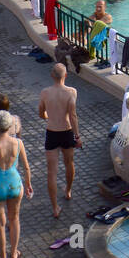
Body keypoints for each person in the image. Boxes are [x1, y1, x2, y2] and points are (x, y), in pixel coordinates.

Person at [0, 110, 33, 258]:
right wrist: (28, 184)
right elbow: (26, 167)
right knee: (14, 219)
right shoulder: (18, 143)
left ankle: (2, 256)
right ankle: (14, 253)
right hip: (15, 184)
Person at [38, 63, 81, 219]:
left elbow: (41, 112)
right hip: (67, 132)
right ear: (65, 76)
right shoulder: (71, 92)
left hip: (52, 132)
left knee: (51, 173)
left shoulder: (45, 93)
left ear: (52, 76)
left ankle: (55, 208)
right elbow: (73, 116)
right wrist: (77, 136)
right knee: (69, 163)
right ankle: (68, 191)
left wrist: (48, 117)